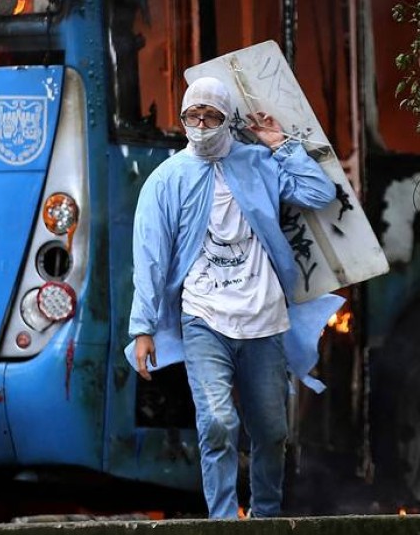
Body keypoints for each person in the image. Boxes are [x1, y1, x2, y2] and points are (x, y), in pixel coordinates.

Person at [126, 76, 341, 519]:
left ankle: (265, 518)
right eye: (193, 116)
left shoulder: (257, 163)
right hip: (204, 317)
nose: (201, 124)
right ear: (183, 119)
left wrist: (280, 144)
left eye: (211, 116)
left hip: (265, 319)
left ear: (228, 120)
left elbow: (319, 193)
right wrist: (143, 327)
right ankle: (223, 521)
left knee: (272, 430)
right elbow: (149, 256)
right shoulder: (166, 180)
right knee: (219, 423)